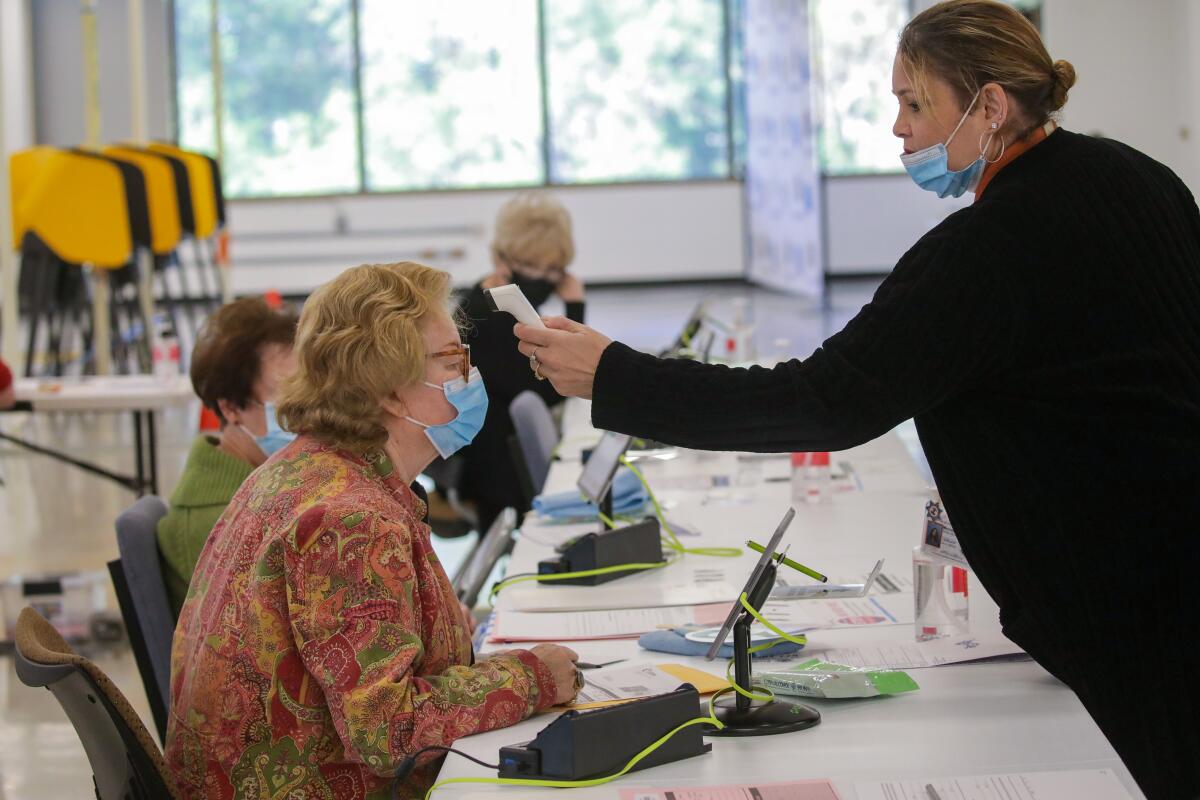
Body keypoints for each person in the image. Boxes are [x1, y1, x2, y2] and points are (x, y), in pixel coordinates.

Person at [512, 3, 1200, 797]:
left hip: (1122, 604)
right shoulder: (1142, 179)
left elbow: (825, 401)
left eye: (915, 103)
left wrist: (618, 377)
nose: (898, 129)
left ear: (991, 105)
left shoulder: (987, 252)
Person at [165, 262, 580, 800]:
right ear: (388, 391)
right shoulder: (348, 519)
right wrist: (533, 678)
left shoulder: (307, 470)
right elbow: (390, 729)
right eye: (454, 360)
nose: (470, 376)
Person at [156, 297, 297, 615]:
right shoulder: (216, 523)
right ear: (231, 408)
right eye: (288, 398)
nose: (309, 413)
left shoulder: (262, 485)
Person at [455, 192, 585, 532]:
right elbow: (556, 385)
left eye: (555, 270)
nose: (544, 278)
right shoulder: (491, 316)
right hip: (497, 471)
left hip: (502, 456)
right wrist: (575, 308)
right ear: (503, 258)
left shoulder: (490, 295)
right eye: (532, 267)